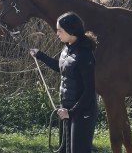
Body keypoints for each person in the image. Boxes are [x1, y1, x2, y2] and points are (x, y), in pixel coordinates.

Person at [30, 11, 98, 153]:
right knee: (64, 150)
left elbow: (90, 90)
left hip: (81, 112)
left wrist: (72, 112)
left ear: (71, 30)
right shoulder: (67, 48)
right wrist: (40, 55)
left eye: (60, 30)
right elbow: (61, 68)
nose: (57, 33)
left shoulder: (84, 54)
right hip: (66, 108)